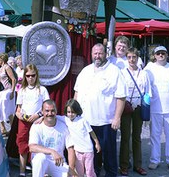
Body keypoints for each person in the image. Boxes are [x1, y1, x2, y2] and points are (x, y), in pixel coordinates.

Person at [74, 43, 126, 177]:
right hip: (87, 121)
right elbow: (77, 93)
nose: (97, 56)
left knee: (109, 153)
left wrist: (117, 117)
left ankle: (111, 174)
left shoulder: (114, 71)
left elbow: (121, 97)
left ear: (105, 54)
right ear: (91, 55)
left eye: (100, 53)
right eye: (95, 53)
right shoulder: (85, 71)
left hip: (106, 121)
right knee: (92, 153)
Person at [144, 46, 169, 172]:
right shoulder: (149, 68)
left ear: (167, 54)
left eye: (163, 53)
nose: (161, 55)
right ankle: (154, 160)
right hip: (155, 108)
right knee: (154, 136)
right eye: (158, 53)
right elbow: (144, 85)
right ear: (154, 55)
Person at [119, 48, 150, 176]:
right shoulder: (122, 73)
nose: (132, 60)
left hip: (138, 106)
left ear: (138, 58)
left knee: (137, 137)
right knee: (125, 137)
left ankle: (138, 165)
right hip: (126, 106)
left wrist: (147, 107)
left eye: (134, 57)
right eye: (129, 57)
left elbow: (147, 92)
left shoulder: (143, 73)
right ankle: (124, 165)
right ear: (127, 58)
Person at [15, 64, 49, 176]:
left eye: (33, 75)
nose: (30, 78)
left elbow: (48, 108)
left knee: (38, 145)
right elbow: (18, 110)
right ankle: (22, 172)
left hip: (38, 121)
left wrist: (38, 115)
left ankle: (39, 171)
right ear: (25, 76)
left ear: (36, 75)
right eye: (28, 75)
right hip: (24, 123)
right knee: (22, 145)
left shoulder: (42, 90)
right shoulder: (22, 90)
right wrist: (21, 116)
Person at [28, 99, 76, 177]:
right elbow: (32, 147)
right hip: (42, 163)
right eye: (47, 111)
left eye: (52, 111)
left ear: (56, 111)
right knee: (40, 158)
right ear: (42, 112)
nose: (50, 113)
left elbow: (70, 149)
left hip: (58, 163)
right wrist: (52, 152)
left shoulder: (63, 126)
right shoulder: (36, 126)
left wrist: (71, 169)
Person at [63, 99, 100, 177]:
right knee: (79, 172)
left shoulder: (83, 120)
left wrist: (97, 143)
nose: (70, 114)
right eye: (68, 112)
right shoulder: (66, 120)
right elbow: (55, 117)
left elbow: (91, 132)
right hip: (78, 151)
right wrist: (41, 118)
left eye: (73, 112)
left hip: (88, 151)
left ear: (77, 111)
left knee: (89, 172)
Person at [0, 53, 16, 135]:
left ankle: (12, 127)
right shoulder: (0, 68)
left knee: (7, 110)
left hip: (8, 90)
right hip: (1, 91)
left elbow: (13, 79)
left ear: (2, 59)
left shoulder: (7, 67)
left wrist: (12, 91)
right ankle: (3, 128)